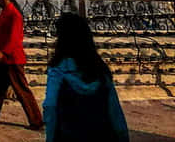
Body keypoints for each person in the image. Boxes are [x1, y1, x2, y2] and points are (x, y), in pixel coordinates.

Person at [43, 12, 128, 142]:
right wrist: (123, 136)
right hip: (102, 134)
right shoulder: (100, 69)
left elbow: (50, 106)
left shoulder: (58, 70)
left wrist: (50, 137)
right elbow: (114, 109)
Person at [0, 0, 43, 130]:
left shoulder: (14, 14)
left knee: (22, 90)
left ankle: (36, 121)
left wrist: (3, 52)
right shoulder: (5, 12)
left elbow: (15, 38)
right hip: (3, 59)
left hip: (12, 59)